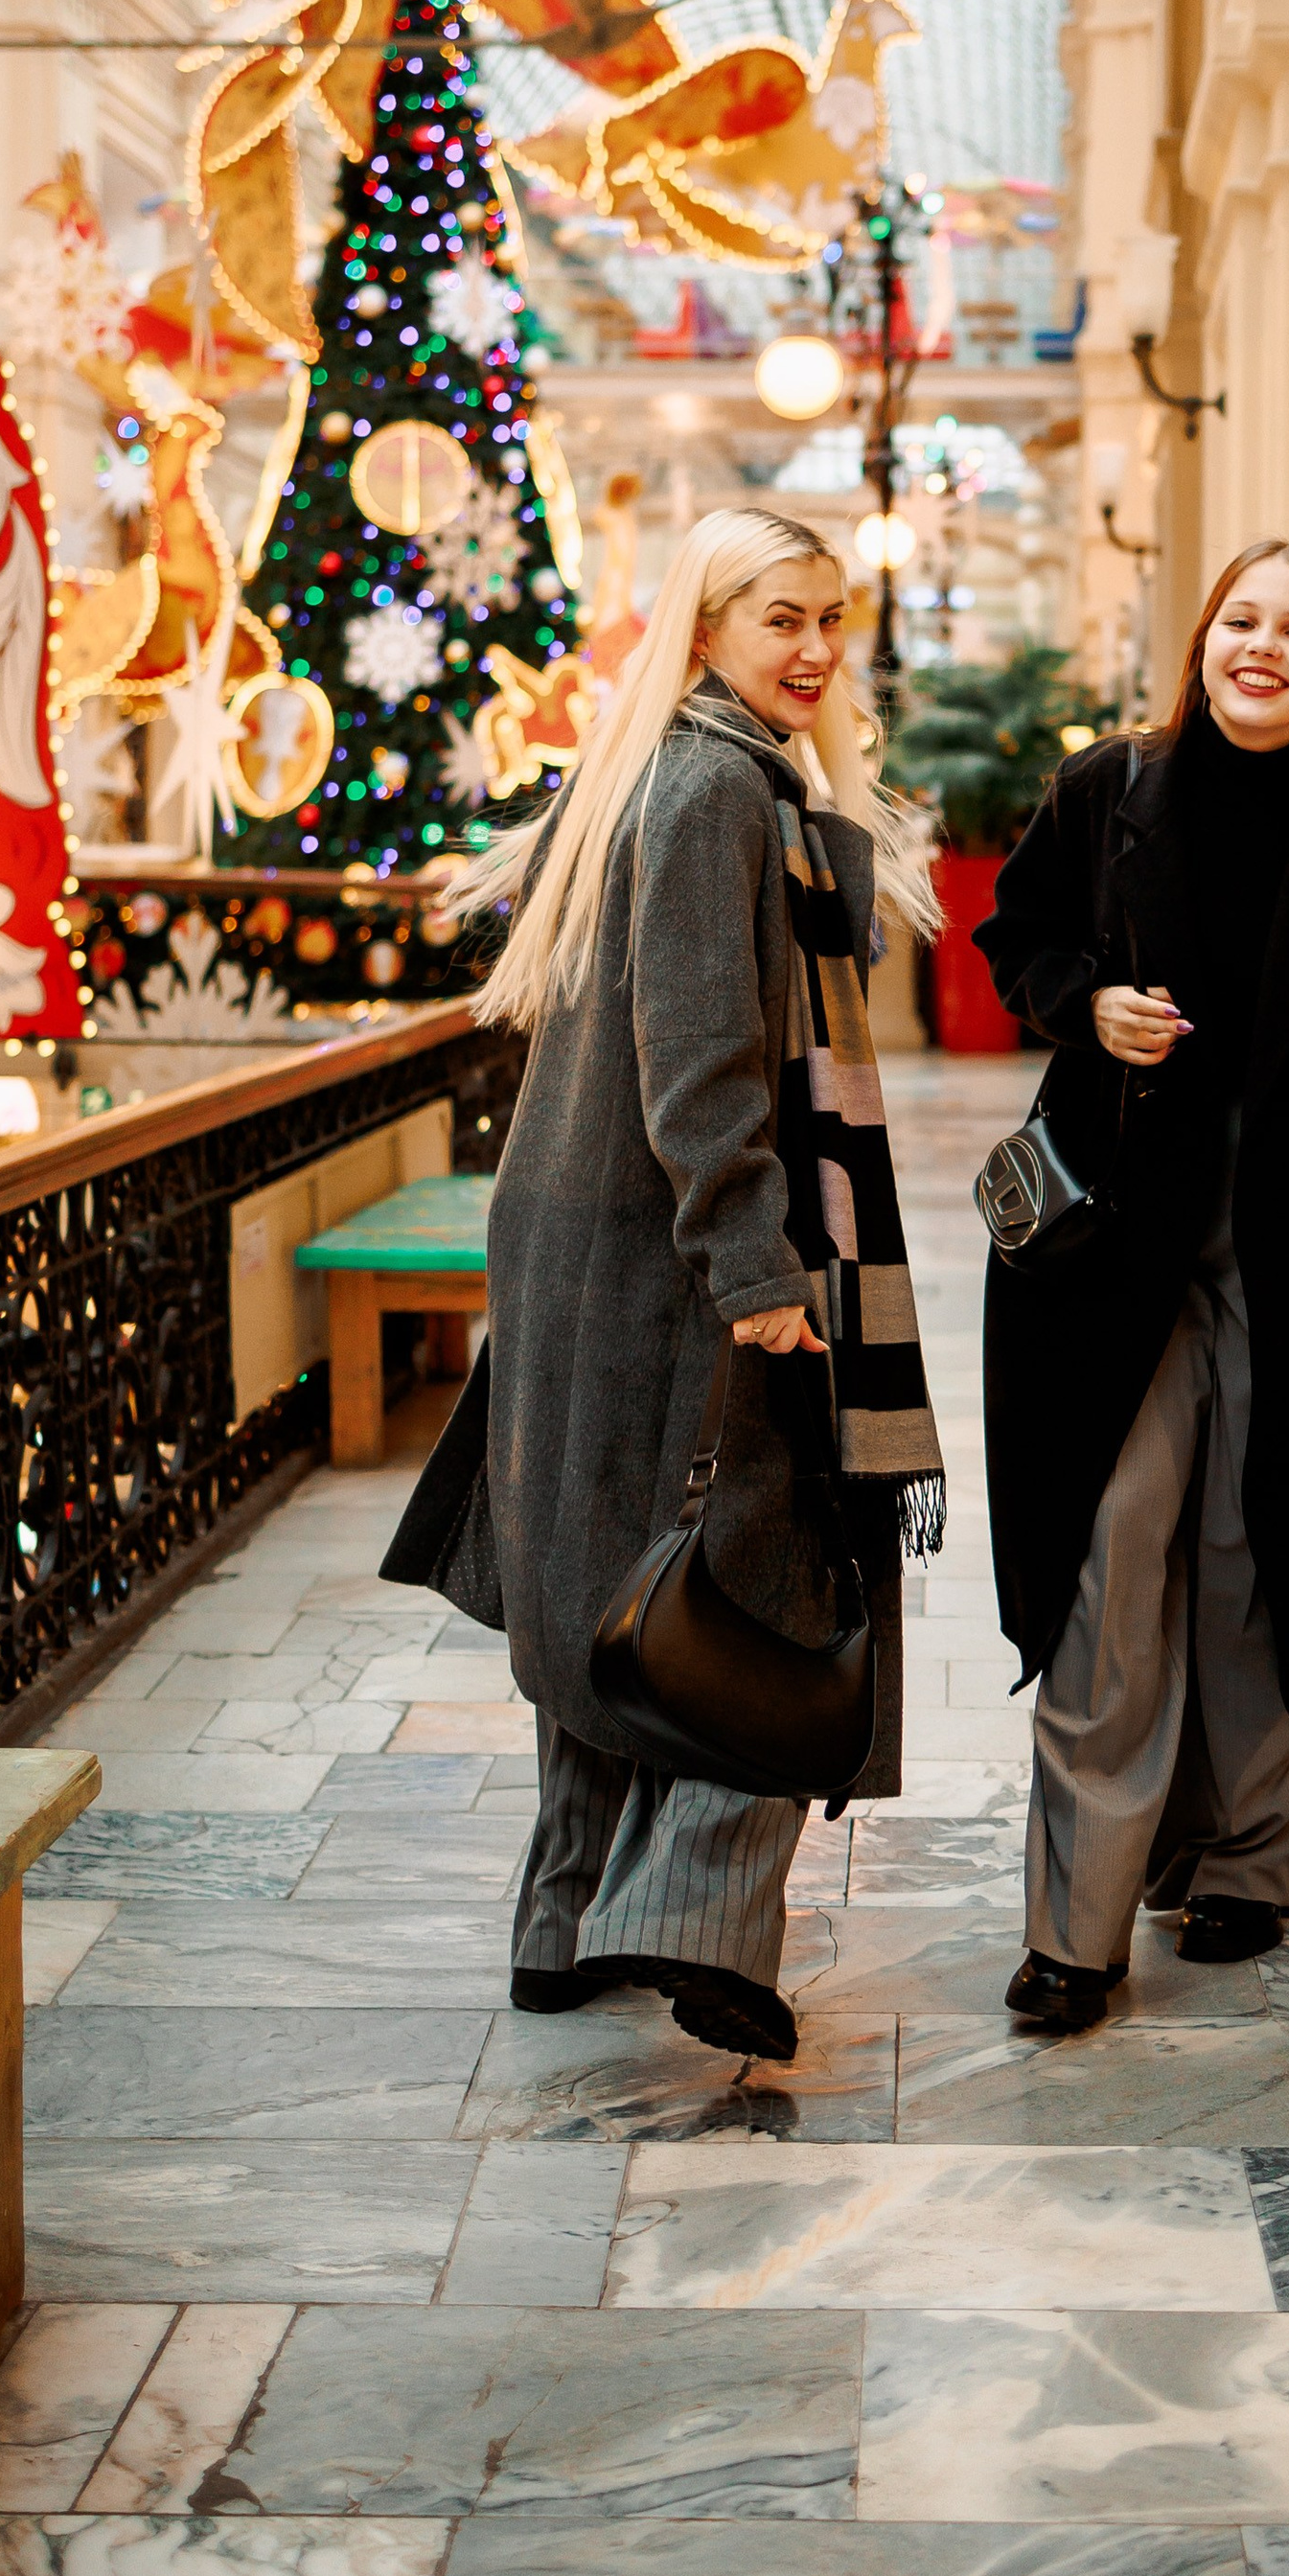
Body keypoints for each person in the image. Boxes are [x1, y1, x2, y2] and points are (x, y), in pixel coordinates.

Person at [383, 508, 944, 2065]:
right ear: (703, 631)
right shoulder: (710, 790)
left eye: (833, 618)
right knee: (765, 1569)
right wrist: (757, 1266)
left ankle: (564, 1928)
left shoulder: (664, 770)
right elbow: (699, 1062)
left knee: (611, 1572)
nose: (817, 650)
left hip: (587, 1242)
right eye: (781, 620)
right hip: (669, 1253)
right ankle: (698, 1929)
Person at [977, 541, 1289, 2032]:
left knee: (1256, 1564)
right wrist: (1087, 1005)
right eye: (1242, 620)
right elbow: (1019, 935)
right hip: (1111, 1260)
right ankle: (1075, 1930)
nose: (1262, 647)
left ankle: (1249, 1862)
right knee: (1108, 1568)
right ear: (1204, 640)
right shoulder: (1110, 792)